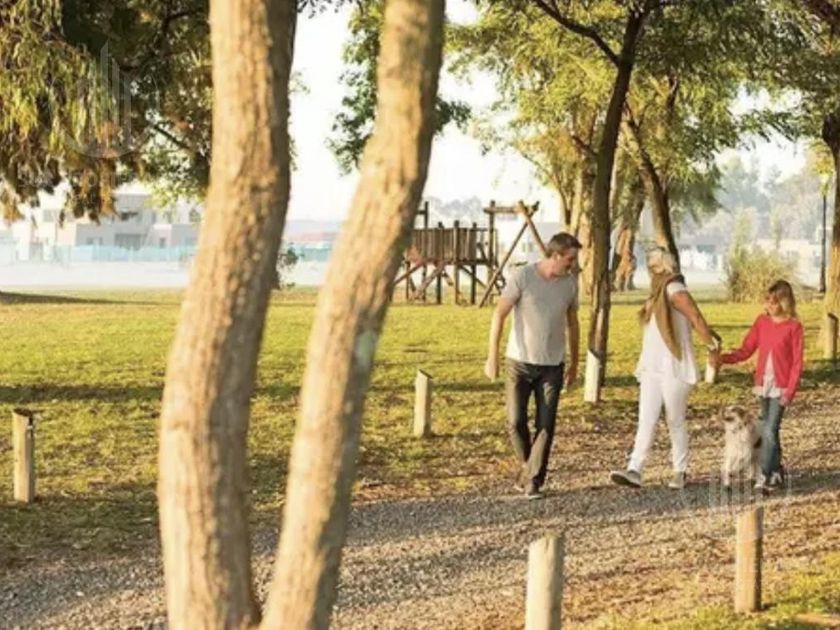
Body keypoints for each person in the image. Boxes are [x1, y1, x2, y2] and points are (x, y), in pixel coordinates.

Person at [610, 246, 719, 490]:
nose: (650, 271)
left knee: (674, 419)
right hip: (652, 364)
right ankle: (635, 469)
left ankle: (680, 470)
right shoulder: (656, 291)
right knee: (646, 418)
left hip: (674, 364)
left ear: (661, 266)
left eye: (652, 266)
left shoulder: (674, 288)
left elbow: (696, 317)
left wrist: (712, 347)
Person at [484, 232, 581, 500]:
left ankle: (533, 481)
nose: (573, 264)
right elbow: (499, 314)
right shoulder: (523, 277)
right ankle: (528, 469)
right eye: (570, 259)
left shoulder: (570, 284)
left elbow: (573, 324)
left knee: (545, 426)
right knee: (515, 422)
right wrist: (492, 356)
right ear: (555, 255)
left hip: (552, 365)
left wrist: (575, 362)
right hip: (519, 363)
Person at [713, 280, 804, 490]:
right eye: (767, 300)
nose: (769, 305)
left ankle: (764, 474)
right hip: (763, 385)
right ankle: (776, 470)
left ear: (785, 302)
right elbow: (746, 349)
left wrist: (790, 391)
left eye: (774, 301)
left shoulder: (794, 327)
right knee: (769, 430)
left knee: (770, 429)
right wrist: (724, 359)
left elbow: (797, 363)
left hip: (782, 387)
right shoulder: (762, 322)